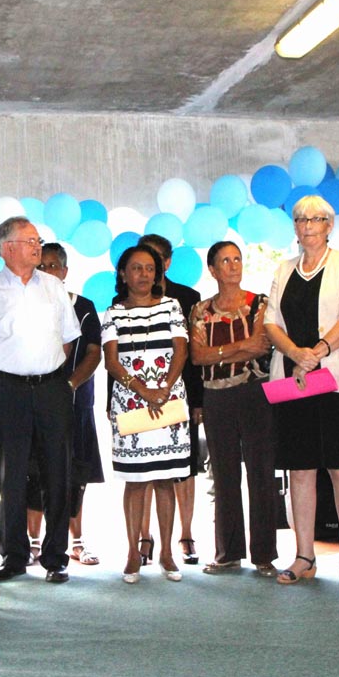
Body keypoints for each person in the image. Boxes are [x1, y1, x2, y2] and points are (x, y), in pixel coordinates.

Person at [264, 195, 339, 593]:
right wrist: (295, 354)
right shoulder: (283, 268)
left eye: (316, 219)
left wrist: (319, 352)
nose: (307, 225)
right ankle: (304, 555)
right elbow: (270, 321)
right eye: (300, 219)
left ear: (330, 225)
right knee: (300, 469)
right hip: (294, 381)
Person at [0, 216, 80, 584]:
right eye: (30, 240)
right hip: (5, 392)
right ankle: (14, 556)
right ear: (7, 247)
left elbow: (68, 340)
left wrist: (42, 373)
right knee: (10, 476)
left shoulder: (54, 287)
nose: (37, 246)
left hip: (51, 389)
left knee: (57, 474)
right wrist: (13, 378)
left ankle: (55, 556)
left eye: (38, 240)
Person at [101, 244, 191, 584]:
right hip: (131, 403)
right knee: (136, 482)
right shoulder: (113, 313)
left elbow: (181, 351)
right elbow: (111, 361)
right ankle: (132, 553)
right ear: (123, 274)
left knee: (166, 480)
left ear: (158, 273)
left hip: (168, 399)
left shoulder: (172, 306)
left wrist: (164, 388)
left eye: (150, 268)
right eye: (136, 268)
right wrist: (144, 391)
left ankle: (167, 552)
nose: (144, 274)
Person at [188, 241, 277, 576]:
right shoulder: (200, 310)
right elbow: (198, 357)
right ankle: (228, 551)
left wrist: (220, 351)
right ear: (212, 269)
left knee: (261, 472)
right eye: (225, 260)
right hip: (215, 396)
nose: (233, 265)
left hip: (255, 394)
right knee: (223, 475)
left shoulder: (258, 304)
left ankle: (264, 554)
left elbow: (259, 347)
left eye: (237, 258)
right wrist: (238, 349)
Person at [25, 243, 104, 566]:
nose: (48, 272)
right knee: (35, 473)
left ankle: (77, 542)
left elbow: (94, 353)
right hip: (34, 404)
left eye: (54, 265)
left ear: (65, 271)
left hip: (75, 404)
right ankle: (32, 542)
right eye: (41, 266)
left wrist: (69, 385)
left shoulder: (83, 307)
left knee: (75, 474)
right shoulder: (24, 305)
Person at [136, 233, 202, 567]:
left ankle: (186, 536)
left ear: (169, 261)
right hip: (137, 396)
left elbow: (193, 355)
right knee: (144, 468)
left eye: (159, 258)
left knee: (182, 469)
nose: (152, 265)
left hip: (180, 394)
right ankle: (144, 538)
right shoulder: (125, 298)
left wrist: (198, 401)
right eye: (146, 257)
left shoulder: (189, 298)